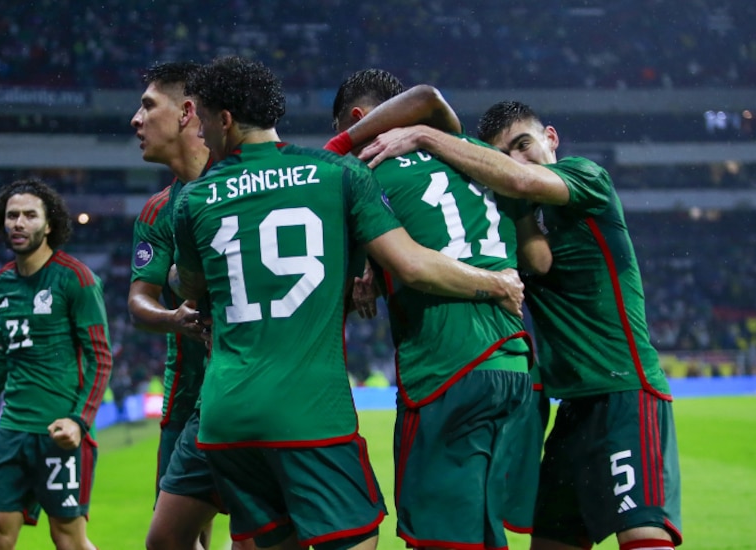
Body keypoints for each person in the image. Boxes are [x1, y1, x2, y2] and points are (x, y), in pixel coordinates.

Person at [173, 56, 524, 550]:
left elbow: (188, 285)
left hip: (227, 416)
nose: (201, 134)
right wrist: (498, 284)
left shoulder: (193, 198)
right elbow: (414, 263)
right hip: (315, 410)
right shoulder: (337, 173)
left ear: (224, 119)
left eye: (203, 120)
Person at [354, 100, 683, 550]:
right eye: (505, 154)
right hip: (571, 405)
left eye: (524, 144)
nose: (519, 159)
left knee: (642, 530)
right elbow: (534, 258)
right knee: (551, 539)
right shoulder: (515, 220)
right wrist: (377, 264)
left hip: (623, 387)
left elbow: (521, 180)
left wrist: (425, 136)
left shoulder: (587, 177)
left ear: (551, 137)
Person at [331, 69, 533, 550]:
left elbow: (414, 263)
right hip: (513, 364)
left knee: (440, 538)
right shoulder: (472, 153)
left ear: (359, 119)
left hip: (448, 367)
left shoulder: (363, 172)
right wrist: (377, 276)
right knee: (483, 532)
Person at [0, 179, 112, 550]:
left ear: (49, 224)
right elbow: (7, 353)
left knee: (67, 536)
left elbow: (101, 358)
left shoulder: (76, 279)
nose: (19, 223)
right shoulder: (2, 283)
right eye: (12, 216)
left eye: (29, 215)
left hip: (59, 429)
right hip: (12, 430)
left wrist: (79, 421)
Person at [128, 60, 252, 550]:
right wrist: (173, 318)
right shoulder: (159, 210)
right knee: (178, 537)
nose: (135, 120)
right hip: (187, 395)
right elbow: (140, 300)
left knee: (254, 534)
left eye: (146, 106)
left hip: (252, 385)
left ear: (185, 112)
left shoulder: (248, 184)